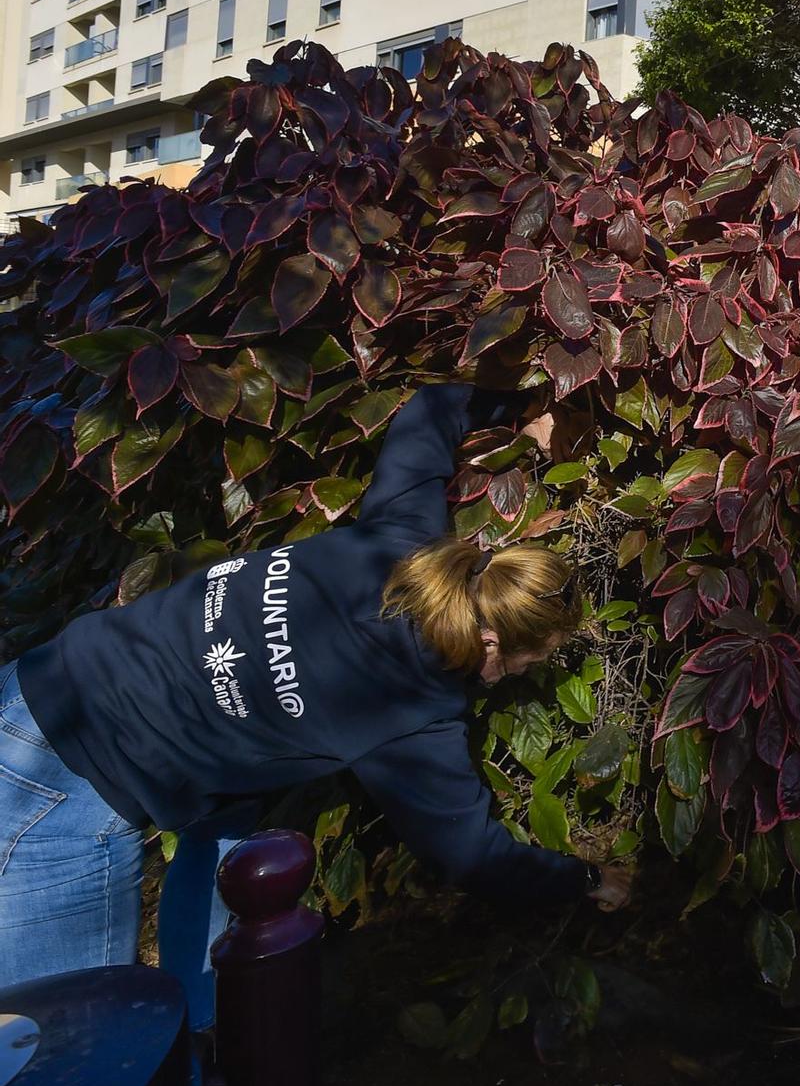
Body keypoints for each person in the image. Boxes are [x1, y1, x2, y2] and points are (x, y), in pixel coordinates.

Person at [0, 383, 633, 1029]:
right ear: (493, 639)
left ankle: (197, 1037)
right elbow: (473, 853)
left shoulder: (405, 536)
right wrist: (584, 879)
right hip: (65, 788)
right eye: (530, 660)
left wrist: (522, 411)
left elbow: (428, 412)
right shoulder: (410, 712)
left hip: (40, 683)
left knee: (225, 833)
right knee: (65, 1055)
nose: (520, 674)